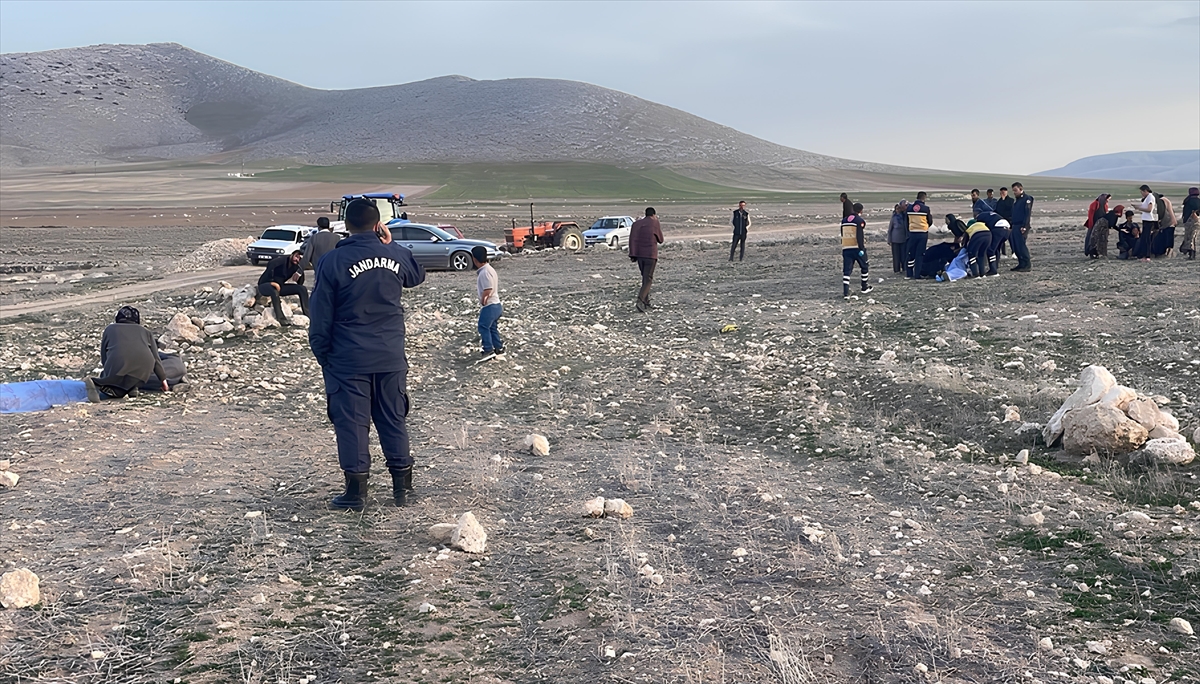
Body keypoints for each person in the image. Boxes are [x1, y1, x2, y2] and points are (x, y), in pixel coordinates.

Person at [309, 198, 426, 511]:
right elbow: (416, 275)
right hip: (389, 354)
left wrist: (323, 353)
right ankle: (403, 489)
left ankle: (355, 493)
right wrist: (390, 245)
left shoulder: (332, 261)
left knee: (352, 423)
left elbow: (320, 313)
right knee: (393, 419)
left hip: (348, 358)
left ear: (345, 225)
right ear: (378, 225)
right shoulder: (395, 253)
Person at [84, 306, 168, 402]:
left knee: (108, 379)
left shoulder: (110, 329)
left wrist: (107, 374)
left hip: (117, 371)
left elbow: (104, 357)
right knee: (132, 375)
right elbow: (156, 359)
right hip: (141, 376)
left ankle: (95, 384)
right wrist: (163, 380)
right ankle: (132, 388)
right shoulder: (146, 332)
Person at [629, 207, 663, 312]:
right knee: (648, 279)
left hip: (639, 255)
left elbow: (632, 239)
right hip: (650, 254)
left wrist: (632, 254)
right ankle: (640, 300)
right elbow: (660, 239)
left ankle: (646, 302)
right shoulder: (654, 223)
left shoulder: (636, 224)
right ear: (653, 215)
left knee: (644, 277)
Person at [473, 245, 504, 360]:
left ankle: (488, 349)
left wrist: (483, 299)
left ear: (474, 259)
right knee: (492, 327)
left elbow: (488, 289)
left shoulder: (485, 272)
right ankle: (498, 347)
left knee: (483, 326)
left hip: (490, 305)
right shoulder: (489, 269)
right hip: (496, 305)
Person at [840, 202, 874, 298]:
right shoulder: (859, 221)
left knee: (847, 270)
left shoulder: (844, 220)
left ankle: (846, 292)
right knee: (864, 267)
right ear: (861, 210)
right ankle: (864, 287)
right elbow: (859, 235)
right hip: (856, 247)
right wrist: (861, 248)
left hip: (846, 247)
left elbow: (842, 233)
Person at [905, 192, 933, 278]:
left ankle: (909, 274)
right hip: (922, 233)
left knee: (911, 254)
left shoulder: (909, 208)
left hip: (912, 233)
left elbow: (906, 221)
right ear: (924, 198)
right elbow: (930, 221)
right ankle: (917, 274)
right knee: (920, 255)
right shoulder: (926, 209)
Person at [1008, 182, 1033, 271]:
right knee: (1016, 245)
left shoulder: (1027, 199)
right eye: (1013, 191)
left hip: (1021, 226)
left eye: (1016, 190)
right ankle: (1021, 263)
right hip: (1015, 225)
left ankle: (1027, 264)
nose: (1014, 192)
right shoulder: (1017, 200)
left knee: (1021, 245)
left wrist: (1024, 226)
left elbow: (1027, 214)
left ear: (1021, 189)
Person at [964, 209, 992, 278]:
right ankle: (983, 273)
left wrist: (965, 248)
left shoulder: (970, 228)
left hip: (978, 235)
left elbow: (966, 241)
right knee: (981, 254)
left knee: (971, 254)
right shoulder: (982, 224)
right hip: (988, 234)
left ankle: (976, 274)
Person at [1132, 185, 1157, 260]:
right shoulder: (1147, 198)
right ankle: (1144, 255)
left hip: (1149, 220)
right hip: (1146, 219)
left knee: (1147, 239)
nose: (1142, 194)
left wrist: (1138, 208)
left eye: (1142, 192)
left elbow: (1149, 209)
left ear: (1146, 191)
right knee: (1144, 238)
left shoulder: (1150, 197)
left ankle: (1147, 256)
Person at [1084, 194, 1110, 258]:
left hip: (1101, 226)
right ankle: (1090, 252)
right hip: (1094, 224)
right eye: (1107, 199)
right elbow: (1091, 215)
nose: (1108, 200)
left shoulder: (1104, 205)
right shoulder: (1094, 204)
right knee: (1091, 239)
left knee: (1099, 239)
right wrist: (1091, 225)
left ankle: (1097, 252)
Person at [1151, 192, 1176, 258]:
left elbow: (1169, 212)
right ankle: (1168, 252)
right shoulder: (1165, 201)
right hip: (1168, 223)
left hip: (1167, 222)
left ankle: (1167, 253)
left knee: (1166, 238)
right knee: (1168, 238)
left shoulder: (1163, 201)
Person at [888, 201, 909, 273]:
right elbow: (890, 229)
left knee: (904, 255)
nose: (898, 210)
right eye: (897, 209)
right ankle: (896, 270)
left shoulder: (904, 217)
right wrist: (889, 239)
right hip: (895, 240)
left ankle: (904, 268)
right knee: (896, 256)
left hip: (903, 239)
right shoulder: (893, 218)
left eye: (899, 209)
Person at [1180, 187, 1199, 260]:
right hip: (1195, 220)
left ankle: (1189, 251)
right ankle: (1191, 252)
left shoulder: (1188, 200)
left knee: (1189, 236)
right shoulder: (1197, 201)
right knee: (1193, 237)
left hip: (1188, 220)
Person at [993, 186, 1014, 256]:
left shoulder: (1011, 200)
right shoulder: (999, 201)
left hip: (1009, 221)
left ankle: (1014, 252)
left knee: (1011, 238)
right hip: (1001, 222)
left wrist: (1004, 200)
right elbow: (998, 210)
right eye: (1001, 192)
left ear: (1007, 192)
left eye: (1004, 192)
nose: (1003, 193)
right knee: (1001, 239)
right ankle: (1003, 253)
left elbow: (1009, 209)